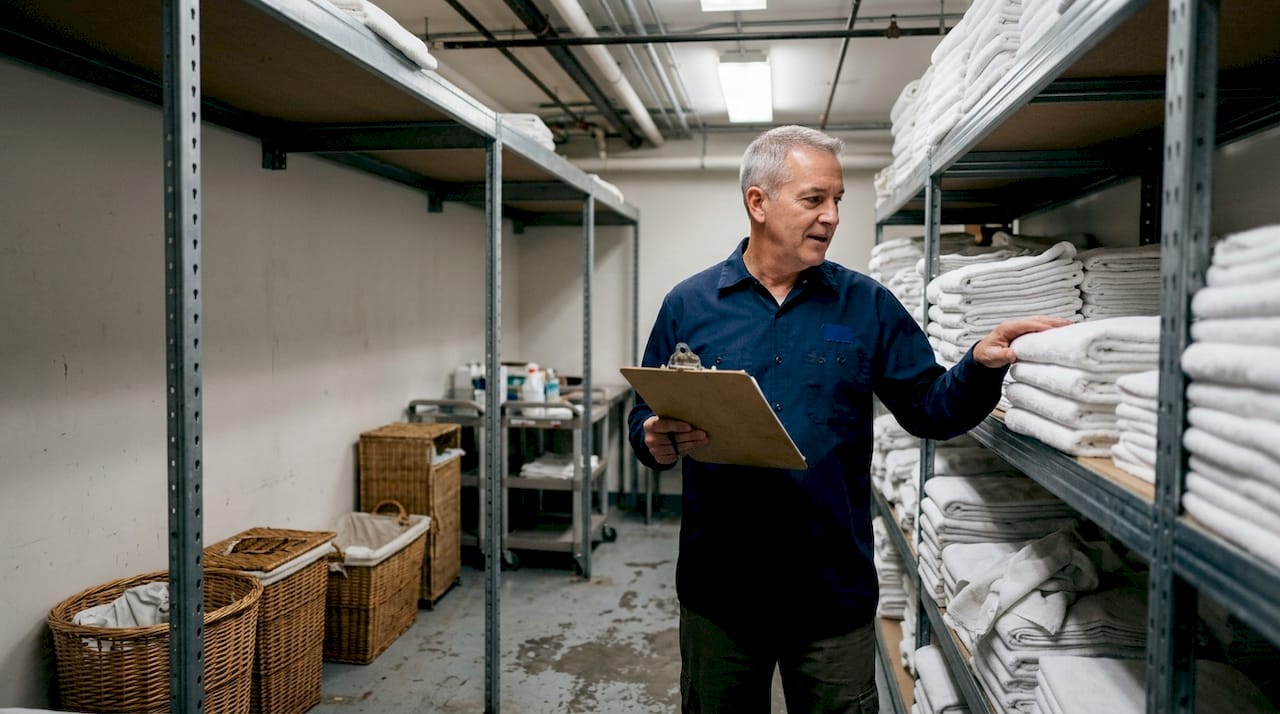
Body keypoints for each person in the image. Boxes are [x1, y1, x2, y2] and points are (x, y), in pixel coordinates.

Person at [627, 125, 1068, 714]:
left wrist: (980, 367)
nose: (832, 216)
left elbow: (928, 407)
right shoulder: (690, 303)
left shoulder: (867, 304)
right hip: (722, 589)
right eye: (814, 199)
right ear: (758, 203)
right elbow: (647, 412)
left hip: (830, 591)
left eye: (837, 200)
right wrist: (651, 437)